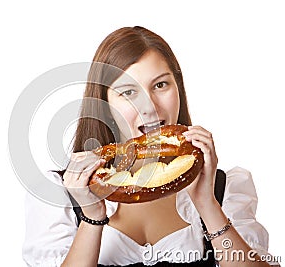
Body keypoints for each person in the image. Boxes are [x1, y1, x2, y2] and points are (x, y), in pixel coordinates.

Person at [22, 26, 277, 266]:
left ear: (178, 87)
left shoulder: (226, 188)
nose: (150, 107)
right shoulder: (62, 194)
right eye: (128, 92)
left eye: (160, 85)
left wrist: (207, 206)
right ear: (104, 104)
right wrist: (91, 217)